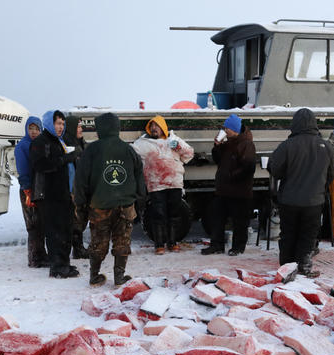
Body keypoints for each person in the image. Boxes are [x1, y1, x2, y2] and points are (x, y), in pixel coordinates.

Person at [73, 112, 146, 286]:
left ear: (100, 129)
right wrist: (139, 201)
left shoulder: (91, 150)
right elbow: (139, 178)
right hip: (125, 206)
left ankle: (94, 276)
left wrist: (81, 204)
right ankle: (119, 277)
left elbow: (80, 181)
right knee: (122, 242)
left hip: (99, 206)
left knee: (99, 243)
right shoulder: (129, 149)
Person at [268, 108, 334, 278]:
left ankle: (286, 269)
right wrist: (320, 187)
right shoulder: (325, 146)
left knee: (288, 235)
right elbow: (332, 173)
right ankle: (304, 267)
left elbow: (274, 169)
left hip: (289, 200)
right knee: (308, 235)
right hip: (314, 201)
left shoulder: (287, 145)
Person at [30, 110, 81, 278]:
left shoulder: (60, 141)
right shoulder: (41, 142)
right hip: (50, 194)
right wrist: (64, 159)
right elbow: (41, 165)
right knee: (55, 231)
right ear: (49, 123)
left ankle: (64, 263)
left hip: (64, 193)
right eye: (58, 123)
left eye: (62, 124)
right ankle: (57, 267)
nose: (61, 127)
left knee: (66, 229)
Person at [133, 115, 194, 255]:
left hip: (175, 184)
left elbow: (189, 155)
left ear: (163, 127)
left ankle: (173, 242)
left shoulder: (174, 140)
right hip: (156, 185)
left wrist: (178, 148)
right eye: (152, 126)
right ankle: (159, 244)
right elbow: (131, 154)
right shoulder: (142, 143)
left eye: (157, 126)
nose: (154, 128)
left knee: (174, 214)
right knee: (158, 215)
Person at [202, 114, 257, 256]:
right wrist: (216, 147)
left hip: (240, 191)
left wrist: (231, 176)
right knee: (216, 218)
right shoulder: (228, 143)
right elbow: (218, 160)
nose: (224, 130)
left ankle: (238, 247)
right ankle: (217, 245)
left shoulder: (246, 144)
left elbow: (249, 167)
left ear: (234, 129)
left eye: (227, 128)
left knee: (240, 222)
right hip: (223, 190)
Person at [14, 115, 47, 267]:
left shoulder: (40, 144)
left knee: (41, 224)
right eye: (30, 129)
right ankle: (34, 258)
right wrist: (27, 189)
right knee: (33, 225)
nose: (33, 132)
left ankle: (41, 254)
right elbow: (22, 170)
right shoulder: (22, 146)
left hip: (40, 188)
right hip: (28, 190)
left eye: (36, 129)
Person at [63, 114, 90, 259]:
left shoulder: (80, 142)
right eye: (78, 126)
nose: (81, 129)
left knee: (80, 219)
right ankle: (77, 249)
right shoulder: (68, 144)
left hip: (81, 187)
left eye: (81, 126)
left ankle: (78, 248)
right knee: (75, 220)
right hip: (72, 189)